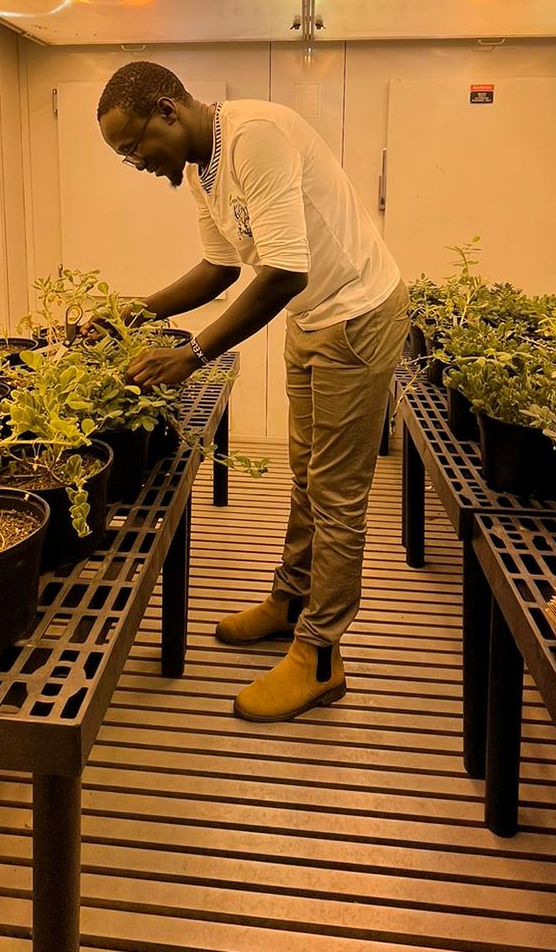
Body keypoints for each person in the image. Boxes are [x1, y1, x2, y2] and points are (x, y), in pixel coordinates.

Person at [96, 61, 408, 724]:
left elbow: (286, 271)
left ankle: (321, 656)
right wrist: (137, 311)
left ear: (167, 112)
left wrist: (197, 353)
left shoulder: (253, 137)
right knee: (307, 476)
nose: (138, 164)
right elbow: (221, 268)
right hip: (313, 318)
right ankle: (291, 598)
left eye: (133, 149)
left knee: (338, 495)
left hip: (356, 316)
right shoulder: (204, 169)